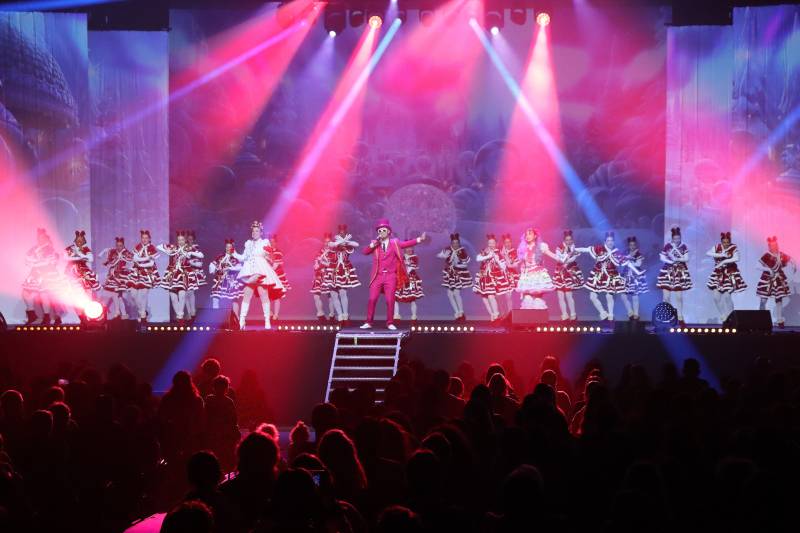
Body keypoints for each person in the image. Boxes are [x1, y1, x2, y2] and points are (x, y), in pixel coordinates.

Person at [360, 219, 425, 330]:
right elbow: (365, 252)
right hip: (377, 276)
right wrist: (373, 244)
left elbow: (406, 244)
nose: (381, 232)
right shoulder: (375, 243)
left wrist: (419, 239)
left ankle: (390, 322)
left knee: (390, 300)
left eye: (383, 230)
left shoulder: (394, 242)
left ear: (389, 232)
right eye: (379, 231)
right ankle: (368, 322)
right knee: (372, 299)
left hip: (390, 276)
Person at [237, 220, 284, 330]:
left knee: (264, 295)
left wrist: (270, 252)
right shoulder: (248, 243)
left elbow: (270, 258)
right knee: (246, 295)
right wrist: (234, 253)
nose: (254, 233)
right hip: (250, 271)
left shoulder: (265, 242)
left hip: (261, 270)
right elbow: (243, 257)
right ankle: (241, 321)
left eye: (257, 231)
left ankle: (267, 321)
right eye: (253, 231)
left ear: (261, 232)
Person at [579, 231, 626, 321]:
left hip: (610, 276)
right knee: (592, 297)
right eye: (608, 240)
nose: (610, 242)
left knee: (609, 296)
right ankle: (603, 313)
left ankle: (611, 315)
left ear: (614, 241)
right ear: (605, 241)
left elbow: (624, 262)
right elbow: (587, 249)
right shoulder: (599, 249)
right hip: (598, 275)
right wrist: (575, 249)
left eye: (612, 240)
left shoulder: (616, 252)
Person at [21, 228, 60, 325]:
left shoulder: (50, 249)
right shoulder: (34, 248)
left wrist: (36, 262)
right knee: (26, 293)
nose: (40, 240)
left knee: (44, 294)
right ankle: (31, 315)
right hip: (35, 273)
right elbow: (27, 260)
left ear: (46, 239)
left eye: (42, 238)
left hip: (47, 274)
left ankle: (47, 317)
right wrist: (35, 262)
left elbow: (49, 261)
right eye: (39, 238)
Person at [706, 231, 747, 323]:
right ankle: (723, 315)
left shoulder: (733, 247)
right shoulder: (717, 247)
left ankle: (731, 316)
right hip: (718, 274)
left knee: (727, 297)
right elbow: (708, 253)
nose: (726, 244)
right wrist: (721, 255)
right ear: (721, 242)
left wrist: (723, 261)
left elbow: (737, 258)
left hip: (729, 274)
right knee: (716, 298)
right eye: (724, 242)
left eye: (727, 242)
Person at [757, 235, 795, 328]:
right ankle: (761, 319)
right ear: (769, 246)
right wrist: (768, 270)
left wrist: (793, 264)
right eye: (772, 245)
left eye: (775, 245)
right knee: (763, 300)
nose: (774, 247)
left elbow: (790, 259)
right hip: (767, 279)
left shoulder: (781, 255)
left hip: (778, 279)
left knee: (779, 299)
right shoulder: (766, 255)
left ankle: (779, 320)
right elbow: (757, 266)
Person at [656, 226, 692, 325]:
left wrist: (677, 259)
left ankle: (680, 317)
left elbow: (686, 258)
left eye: (678, 238)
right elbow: (662, 257)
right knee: (666, 297)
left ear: (680, 237)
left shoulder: (683, 246)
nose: (677, 240)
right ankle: (668, 316)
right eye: (675, 238)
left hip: (679, 272)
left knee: (679, 297)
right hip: (667, 272)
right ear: (672, 238)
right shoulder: (668, 246)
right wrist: (670, 261)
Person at [473, 234, 513, 322]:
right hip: (484, 276)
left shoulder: (498, 253)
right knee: (484, 298)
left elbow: (503, 267)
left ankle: (496, 315)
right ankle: (492, 314)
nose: (491, 245)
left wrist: (497, 260)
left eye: (493, 243)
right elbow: (478, 258)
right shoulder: (485, 251)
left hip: (493, 277)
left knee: (491, 295)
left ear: (496, 244)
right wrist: (488, 256)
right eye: (489, 243)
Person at [63, 230, 100, 323]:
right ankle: (82, 318)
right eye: (78, 240)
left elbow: (91, 258)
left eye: (81, 240)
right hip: (72, 274)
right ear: (75, 240)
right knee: (75, 297)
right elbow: (66, 258)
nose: (79, 242)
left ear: (84, 241)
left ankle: (89, 316)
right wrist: (80, 257)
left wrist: (79, 254)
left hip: (84, 273)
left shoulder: (86, 249)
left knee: (88, 295)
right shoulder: (69, 248)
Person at [516, 228, 557, 309]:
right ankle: (529, 316)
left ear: (535, 236)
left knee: (537, 300)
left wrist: (565, 258)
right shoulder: (523, 248)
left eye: (530, 234)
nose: (527, 236)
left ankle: (538, 316)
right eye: (526, 234)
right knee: (527, 299)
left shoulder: (541, 246)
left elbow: (554, 256)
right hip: (527, 277)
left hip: (537, 276)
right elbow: (517, 263)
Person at [158, 231, 193, 326]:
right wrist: (167, 251)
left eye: (182, 239)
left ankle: (180, 316)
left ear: (185, 240)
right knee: (173, 298)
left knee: (182, 295)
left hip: (182, 273)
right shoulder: (173, 248)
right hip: (172, 273)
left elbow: (199, 255)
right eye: (179, 240)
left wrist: (188, 253)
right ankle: (179, 315)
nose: (180, 241)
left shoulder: (188, 248)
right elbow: (159, 246)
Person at [328, 224, 360, 325]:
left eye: (344, 233)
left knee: (343, 293)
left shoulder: (348, 246)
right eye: (340, 233)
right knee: (333, 294)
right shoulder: (334, 244)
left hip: (343, 270)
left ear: (346, 233)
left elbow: (356, 244)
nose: (342, 234)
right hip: (333, 270)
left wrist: (345, 241)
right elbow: (331, 245)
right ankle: (340, 316)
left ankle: (345, 316)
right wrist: (339, 242)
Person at [437, 233, 471, 322]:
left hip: (459, 274)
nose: (455, 244)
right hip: (450, 274)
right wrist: (444, 254)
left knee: (456, 293)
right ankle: (457, 313)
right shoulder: (448, 249)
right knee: (449, 294)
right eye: (453, 243)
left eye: (457, 243)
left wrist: (459, 260)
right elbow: (439, 255)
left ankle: (461, 313)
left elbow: (467, 260)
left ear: (459, 243)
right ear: (451, 243)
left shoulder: (462, 250)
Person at [209, 238, 244, 325]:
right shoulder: (220, 256)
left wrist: (230, 268)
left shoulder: (235, 257)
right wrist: (213, 269)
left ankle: (236, 319)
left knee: (234, 299)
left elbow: (240, 267)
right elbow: (212, 265)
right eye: (227, 247)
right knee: (216, 297)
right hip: (220, 280)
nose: (228, 248)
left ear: (233, 247)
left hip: (231, 281)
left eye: (230, 247)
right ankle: (215, 319)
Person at [130, 229, 160, 329]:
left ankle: (142, 316)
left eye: (146, 238)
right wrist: (145, 258)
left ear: (149, 239)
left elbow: (151, 263)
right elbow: (135, 258)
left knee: (143, 295)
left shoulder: (152, 248)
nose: (144, 239)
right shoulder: (137, 247)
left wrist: (140, 263)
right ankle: (142, 312)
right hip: (136, 273)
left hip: (147, 274)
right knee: (133, 295)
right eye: (143, 238)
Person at [552, 230, 584, 322]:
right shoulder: (559, 247)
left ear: (572, 240)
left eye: (570, 239)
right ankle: (564, 315)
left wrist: (566, 260)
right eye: (567, 240)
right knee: (560, 295)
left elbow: (573, 259)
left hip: (569, 272)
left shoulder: (574, 249)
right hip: (560, 272)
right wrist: (564, 259)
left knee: (568, 295)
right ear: (564, 240)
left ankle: (573, 315)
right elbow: (558, 258)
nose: (568, 241)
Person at [100, 236, 134, 321]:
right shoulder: (113, 252)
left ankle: (120, 312)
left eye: (120, 245)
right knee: (116, 295)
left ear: (123, 245)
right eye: (117, 245)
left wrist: (128, 268)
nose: (119, 247)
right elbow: (109, 262)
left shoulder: (126, 252)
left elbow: (132, 260)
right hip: (113, 275)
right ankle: (121, 312)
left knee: (118, 295)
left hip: (121, 276)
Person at [311, 233, 342, 322]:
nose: (327, 243)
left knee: (331, 296)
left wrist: (322, 262)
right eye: (325, 242)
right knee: (316, 295)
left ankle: (332, 315)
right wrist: (317, 264)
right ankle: (320, 314)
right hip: (319, 275)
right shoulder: (320, 252)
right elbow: (315, 265)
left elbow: (332, 265)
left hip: (328, 275)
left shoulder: (333, 253)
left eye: (328, 242)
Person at [620, 236, 648, 321]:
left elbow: (639, 264)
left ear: (636, 245)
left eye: (633, 245)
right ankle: (630, 312)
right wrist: (628, 258)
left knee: (635, 296)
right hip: (625, 275)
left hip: (635, 276)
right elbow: (621, 262)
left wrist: (629, 261)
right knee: (623, 295)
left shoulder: (638, 253)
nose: (632, 246)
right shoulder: (625, 252)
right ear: (628, 245)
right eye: (630, 245)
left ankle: (636, 314)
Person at [394, 246, 424, 323]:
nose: (410, 249)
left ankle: (414, 317)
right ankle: (396, 315)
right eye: (408, 248)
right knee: (395, 297)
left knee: (412, 298)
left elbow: (411, 268)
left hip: (411, 280)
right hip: (401, 279)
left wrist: (404, 271)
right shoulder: (401, 257)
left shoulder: (414, 257)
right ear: (404, 249)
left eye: (411, 248)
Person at [265, 234, 290, 322]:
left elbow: (275, 265)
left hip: (277, 277)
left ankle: (276, 315)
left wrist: (268, 269)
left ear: (276, 242)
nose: (272, 243)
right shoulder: (265, 252)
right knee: (265, 296)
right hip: (268, 276)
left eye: (273, 242)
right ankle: (270, 313)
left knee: (277, 296)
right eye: (270, 242)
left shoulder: (279, 252)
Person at [184, 230, 206, 324]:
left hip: (193, 272)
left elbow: (200, 258)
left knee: (191, 292)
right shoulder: (184, 247)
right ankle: (189, 313)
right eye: (188, 239)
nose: (190, 240)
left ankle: (192, 312)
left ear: (193, 239)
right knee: (185, 293)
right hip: (184, 272)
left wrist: (191, 262)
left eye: (191, 239)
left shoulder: (195, 247)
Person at [499, 233, 520, 315]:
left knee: (509, 296)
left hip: (511, 276)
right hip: (501, 276)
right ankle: (502, 314)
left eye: (509, 242)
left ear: (511, 242)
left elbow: (512, 265)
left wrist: (505, 255)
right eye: (505, 242)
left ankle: (510, 314)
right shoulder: (499, 252)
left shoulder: (515, 252)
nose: (507, 244)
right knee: (499, 297)